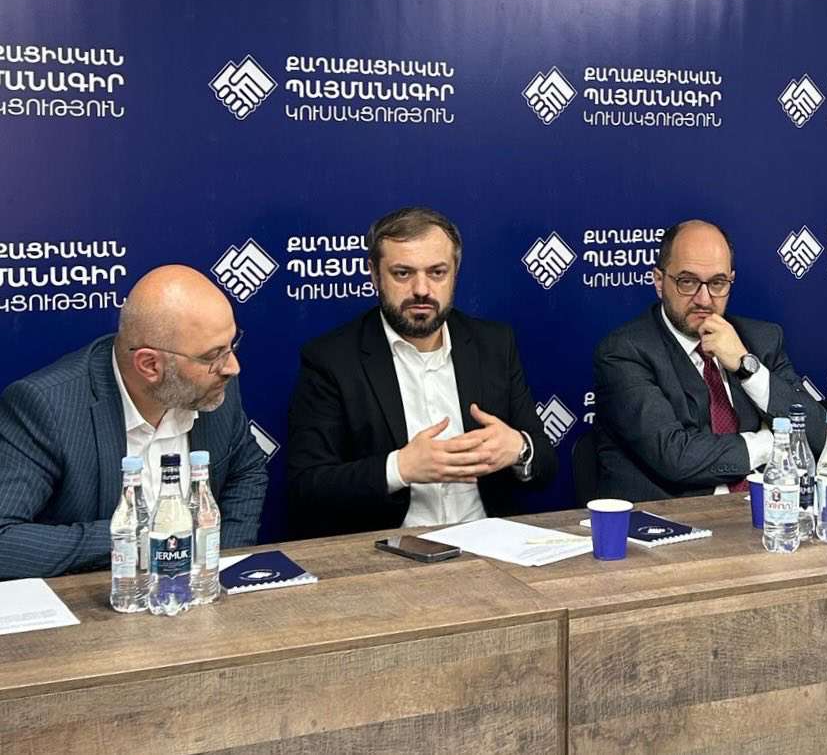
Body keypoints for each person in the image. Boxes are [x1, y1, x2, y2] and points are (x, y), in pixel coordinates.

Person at [287, 207, 556, 538]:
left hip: (488, 540)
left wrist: (518, 448)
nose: (422, 289)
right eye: (403, 273)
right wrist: (400, 468)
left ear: (454, 273)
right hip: (389, 550)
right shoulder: (331, 359)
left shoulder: (494, 344)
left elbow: (546, 464)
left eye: (437, 272)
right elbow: (307, 486)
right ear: (374, 274)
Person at [0, 265, 268, 581]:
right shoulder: (48, 407)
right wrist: (136, 539)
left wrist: (221, 561)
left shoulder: (214, 387)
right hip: (102, 597)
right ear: (149, 364)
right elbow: (5, 540)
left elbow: (246, 468)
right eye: (214, 355)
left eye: (231, 345)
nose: (232, 367)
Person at [593, 219, 825, 501]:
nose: (704, 299)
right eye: (688, 282)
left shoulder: (761, 340)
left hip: (766, 513)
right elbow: (676, 457)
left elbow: (818, 435)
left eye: (717, 283)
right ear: (659, 281)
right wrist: (771, 443)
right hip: (674, 518)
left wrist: (747, 367)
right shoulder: (623, 352)